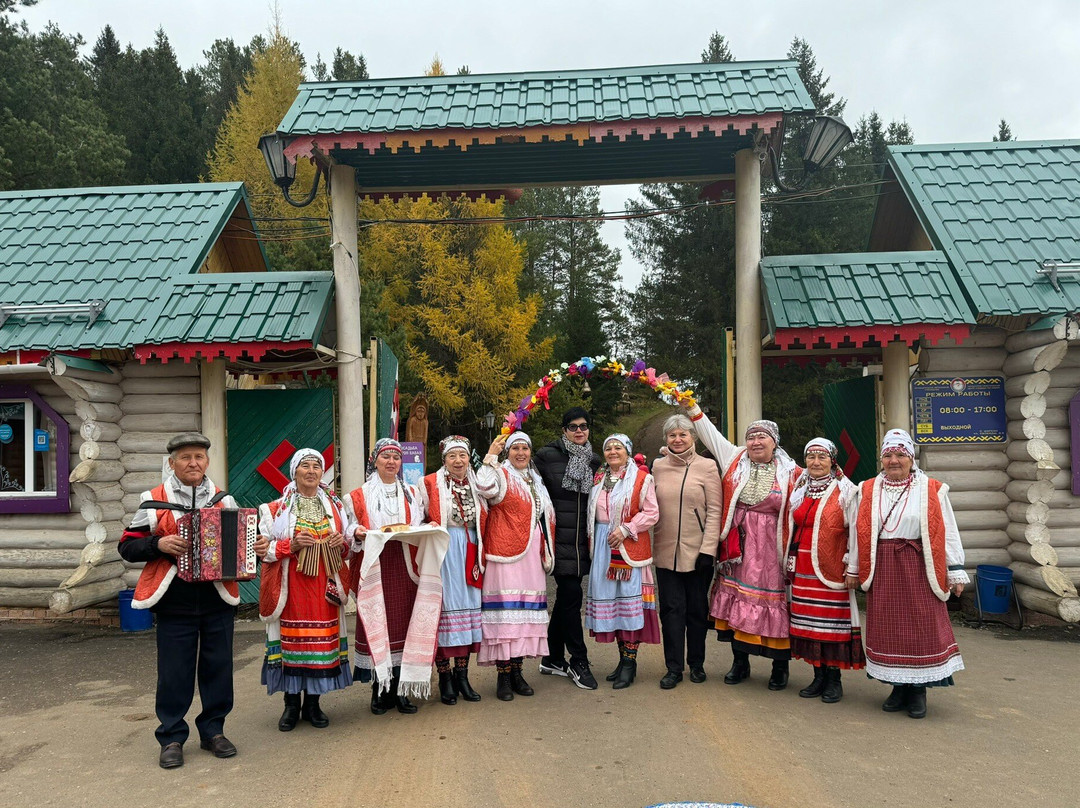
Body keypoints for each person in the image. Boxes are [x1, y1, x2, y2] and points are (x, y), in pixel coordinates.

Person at [119, 432, 255, 769]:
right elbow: (127, 546)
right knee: (174, 672)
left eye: (199, 457)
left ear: (207, 461)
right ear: (172, 463)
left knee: (218, 668)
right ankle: (171, 737)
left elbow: (242, 544)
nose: (193, 463)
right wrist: (157, 545)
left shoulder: (224, 500)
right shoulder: (153, 501)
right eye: (185, 457)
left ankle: (213, 731)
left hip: (216, 599)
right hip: (174, 601)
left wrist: (256, 547)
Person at [846, 428, 967, 719]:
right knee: (888, 628)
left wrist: (955, 570)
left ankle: (918, 691)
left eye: (900, 454)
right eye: (888, 455)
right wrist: (853, 567)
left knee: (921, 626)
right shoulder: (867, 489)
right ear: (881, 459)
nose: (894, 460)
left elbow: (947, 531)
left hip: (918, 565)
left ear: (911, 458)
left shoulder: (932, 489)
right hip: (883, 566)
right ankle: (898, 687)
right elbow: (859, 532)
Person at [685, 405, 801, 690]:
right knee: (736, 599)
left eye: (762, 437)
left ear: (775, 442)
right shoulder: (734, 458)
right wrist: (690, 406)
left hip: (772, 548)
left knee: (775, 604)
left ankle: (780, 666)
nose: (756, 442)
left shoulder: (793, 472)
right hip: (739, 546)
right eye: (751, 437)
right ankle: (740, 662)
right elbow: (708, 433)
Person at [258, 448, 355, 731]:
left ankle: (313, 703)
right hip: (291, 587)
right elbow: (263, 552)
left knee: (319, 644)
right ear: (294, 472)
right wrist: (292, 545)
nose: (311, 471)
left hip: (324, 586)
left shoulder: (335, 507)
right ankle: (291, 705)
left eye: (316, 466)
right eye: (305, 466)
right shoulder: (274, 509)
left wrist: (341, 544)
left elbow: (349, 549)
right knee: (292, 643)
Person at [420, 434, 504, 705]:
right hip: (443, 553)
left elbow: (495, 494)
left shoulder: (477, 483)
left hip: (471, 552)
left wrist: (491, 455)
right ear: (444, 459)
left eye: (463, 455)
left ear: (469, 458)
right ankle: (444, 677)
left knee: (468, 613)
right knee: (444, 611)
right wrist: (428, 527)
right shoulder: (428, 484)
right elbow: (416, 517)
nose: (458, 461)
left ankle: (462, 676)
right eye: (452, 456)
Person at [348, 438, 428, 715]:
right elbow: (348, 529)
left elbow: (418, 524)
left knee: (403, 626)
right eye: (386, 457)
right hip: (375, 564)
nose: (391, 462)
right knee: (378, 623)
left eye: (396, 457)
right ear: (375, 461)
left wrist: (425, 527)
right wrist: (356, 532)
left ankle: (401, 691)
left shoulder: (411, 493)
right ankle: (380, 689)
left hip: (404, 564)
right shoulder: (358, 495)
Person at [476, 431, 555, 701]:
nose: (520, 453)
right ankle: (503, 676)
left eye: (525, 448)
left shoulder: (535, 479)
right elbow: (483, 487)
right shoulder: (500, 473)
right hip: (505, 553)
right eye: (515, 448)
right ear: (507, 452)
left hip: (530, 553)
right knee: (505, 617)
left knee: (523, 617)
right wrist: (490, 457)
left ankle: (518, 672)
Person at [786, 438, 864, 703]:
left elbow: (855, 532)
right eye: (811, 457)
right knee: (808, 623)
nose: (816, 462)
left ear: (833, 461)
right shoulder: (800, 488)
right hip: (802, 568)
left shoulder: (846, 491)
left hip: (830, 569)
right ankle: (817, 676)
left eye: (822, 457)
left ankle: (833, 679)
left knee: (830, 624)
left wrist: (853, 568)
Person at [651, 413, 722, 689]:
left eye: (683, 434)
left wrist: (709, 550)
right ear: (666, 439)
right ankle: (673, 667)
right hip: (666, 551)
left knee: (696, 610)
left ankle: (697, 663)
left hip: (698, 553)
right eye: (672, 435)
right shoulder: (658, 466)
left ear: (693, 437)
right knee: (670, 610)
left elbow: (715, 510)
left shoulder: (707, 467)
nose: (678, 439)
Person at [584, 433, 660, 689]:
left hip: (629, 546)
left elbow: (652, 513)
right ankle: (622, 661)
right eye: (608, 448)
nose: (613, 452)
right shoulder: (598, 479)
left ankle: (629, 663)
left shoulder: (642, 478)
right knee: (615, 607)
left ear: (628, 452)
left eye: (618, 447)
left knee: (629, 606)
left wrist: (627, 528)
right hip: (604, 547)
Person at [533, 407, 602, 690]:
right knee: (572, 595)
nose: (579, 431)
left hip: (583, 541)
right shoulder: (546, 456)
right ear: (564, 430)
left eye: (583, 426)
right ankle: (578, 660)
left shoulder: (595, 461)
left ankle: (552, 657)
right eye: (572, 426)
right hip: (557, 539)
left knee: (566, 599)